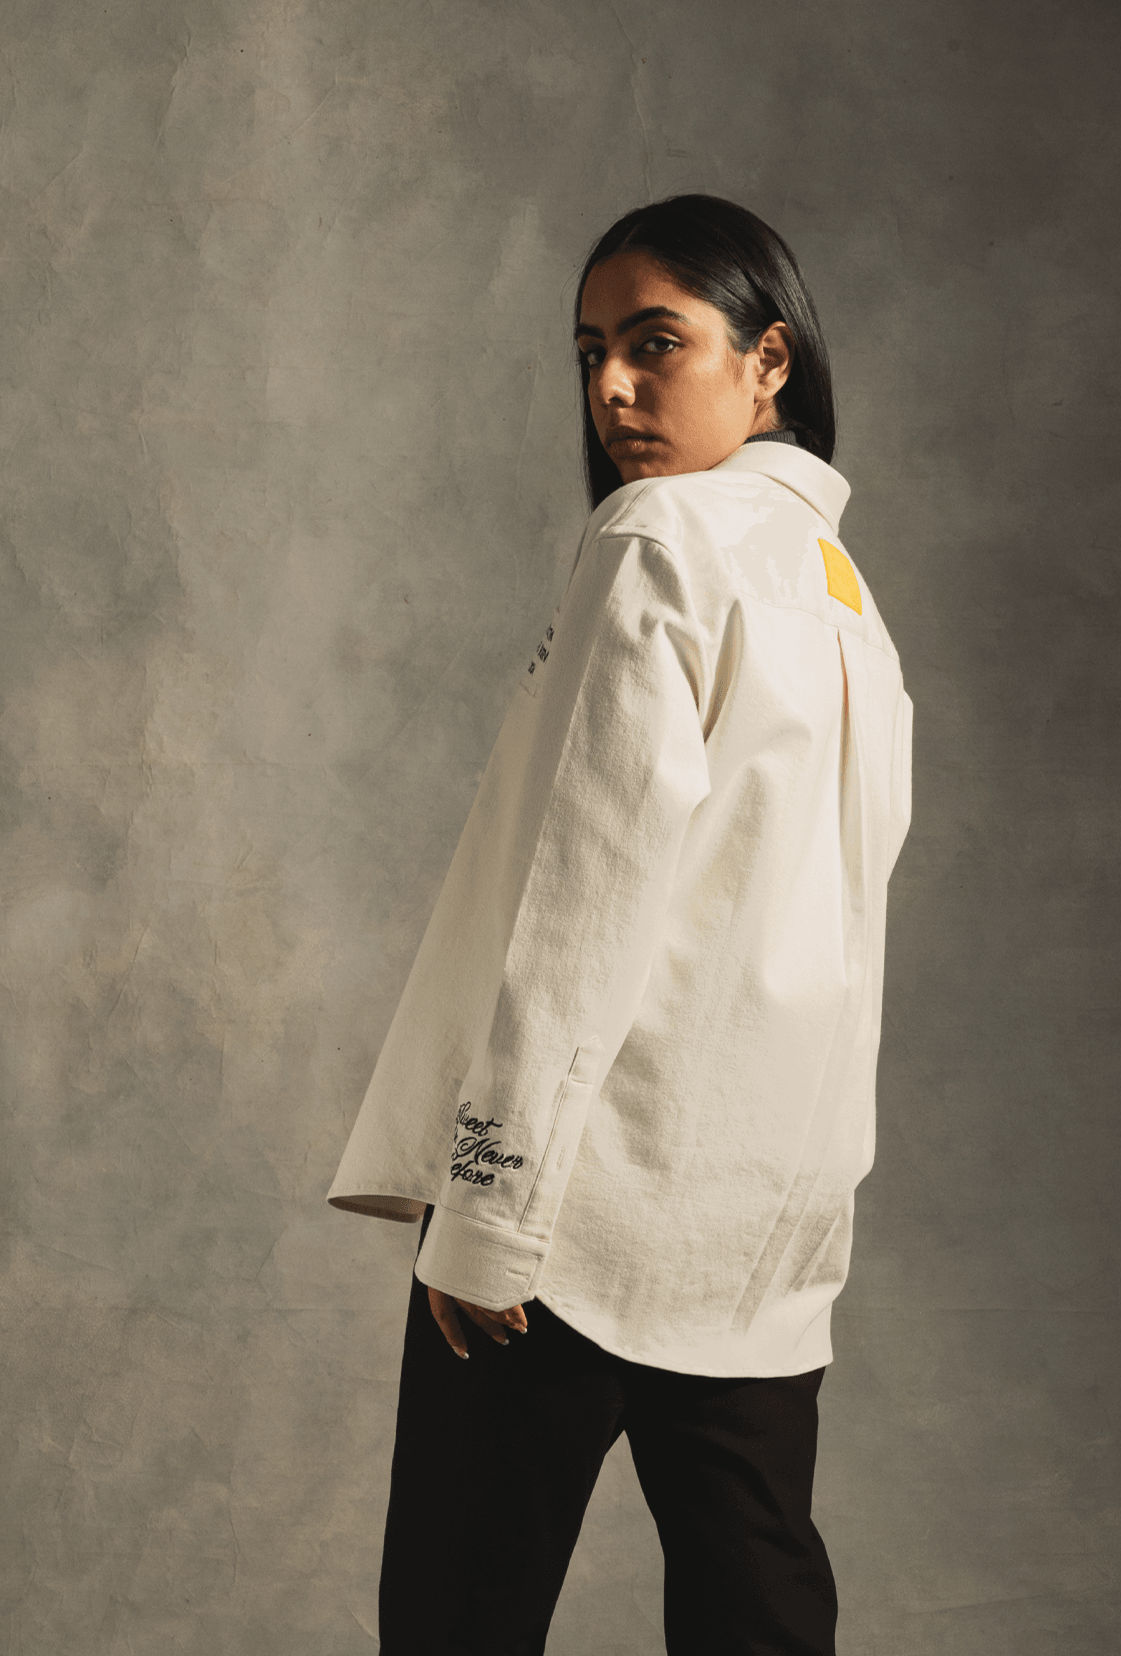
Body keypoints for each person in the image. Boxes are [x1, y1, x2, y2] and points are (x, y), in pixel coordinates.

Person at [326, 193, 913, 1656]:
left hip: (578, 1207)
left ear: (769, 361)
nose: (612, 388)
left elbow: (583, 894)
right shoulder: (850, 602)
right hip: (762, 1220)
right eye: (592, 352)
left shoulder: (658, 536)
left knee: (456, 1619)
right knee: (759, 1611)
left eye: (658, 343)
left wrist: (488, 1204)